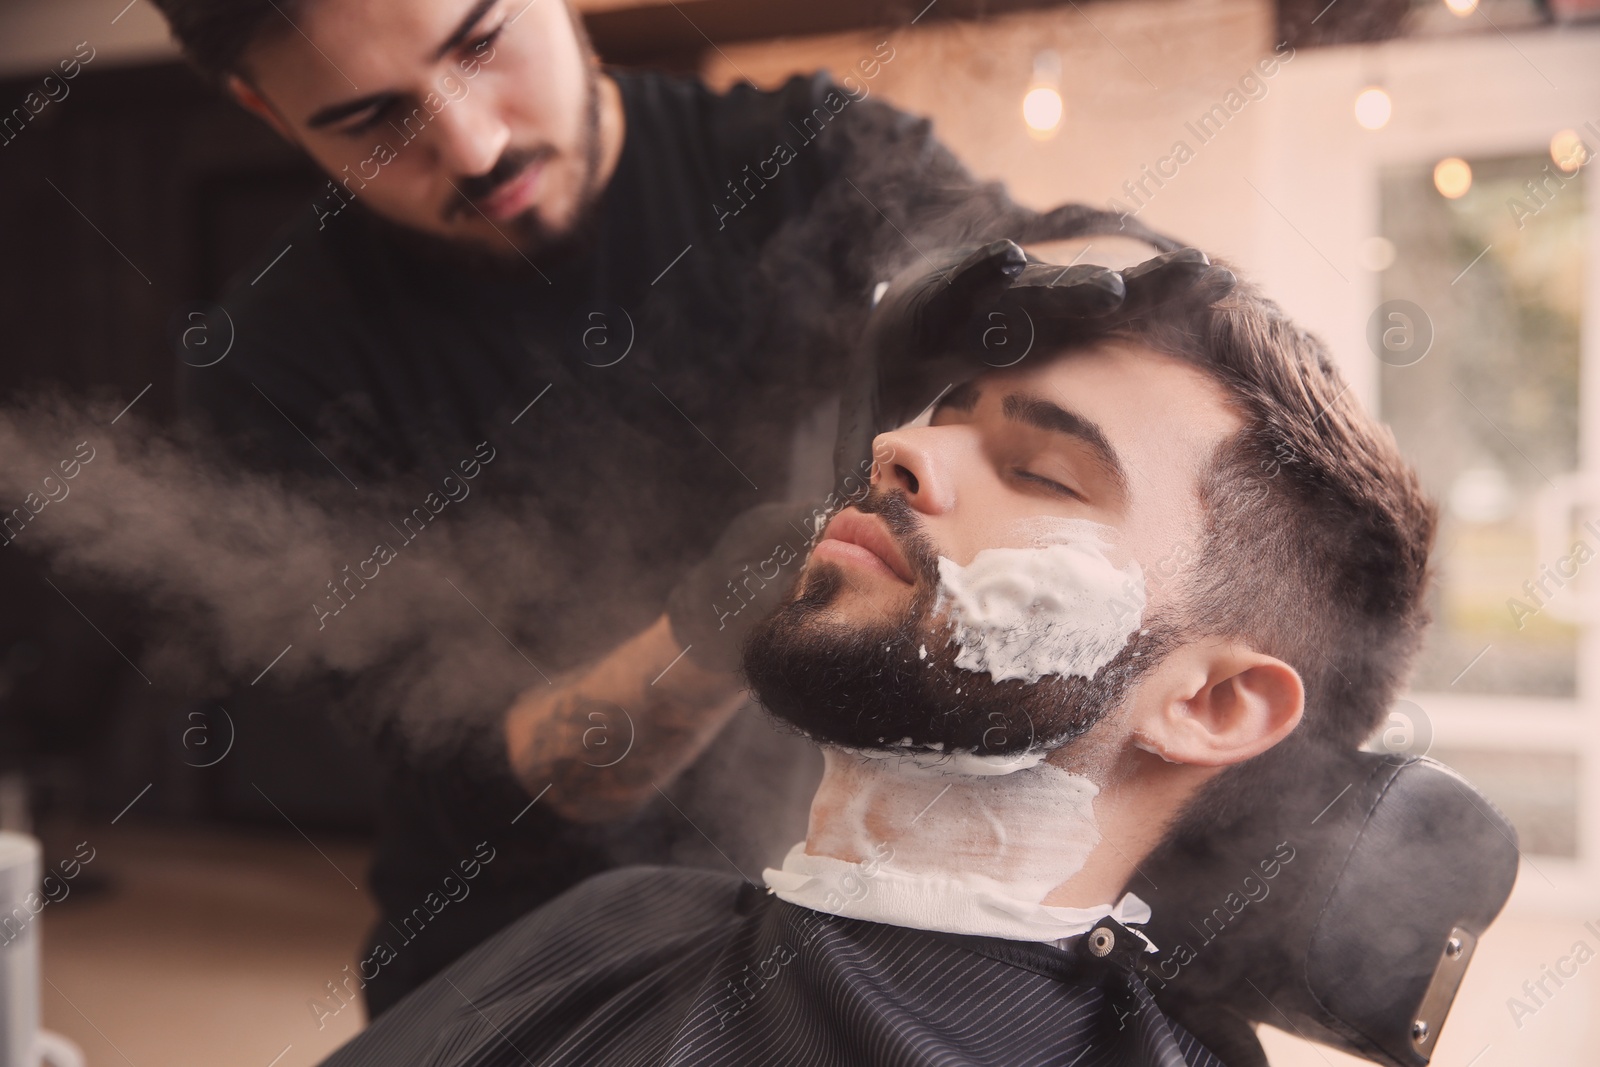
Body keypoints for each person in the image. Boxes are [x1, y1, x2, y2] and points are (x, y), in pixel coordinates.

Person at [149, 0, 1166, 1015]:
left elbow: (1052, 289)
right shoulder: (272, 362)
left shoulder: (812, 157)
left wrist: (1115, 294)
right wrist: (715, 629)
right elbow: (486, 771)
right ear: (266, 111)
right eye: (372, 119)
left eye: (480, 42)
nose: (474, 144)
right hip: (527, 959)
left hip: (860, 921)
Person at [309, 245, 1438, 1066]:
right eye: (938, 414)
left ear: (1215, 701)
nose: (898, 446)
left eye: (1041, 471)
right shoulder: (621, 919)